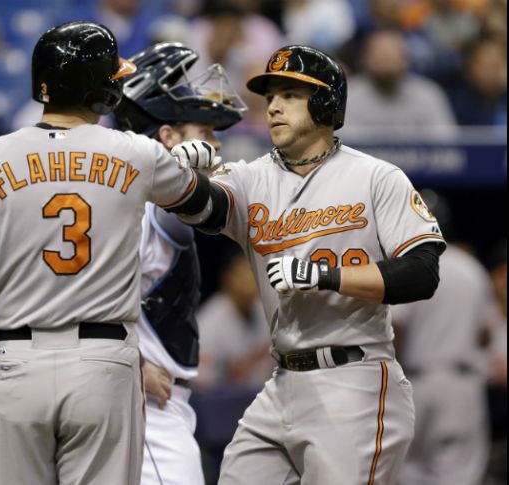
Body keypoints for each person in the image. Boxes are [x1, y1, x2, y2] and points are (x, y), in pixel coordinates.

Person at [0, 21, 221, 485]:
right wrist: (188, 163)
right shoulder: (137, 153)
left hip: (16, 363)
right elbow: (208, 208)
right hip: (104, 365)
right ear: (102, 90)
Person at [171, 44, 446, 484]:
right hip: (280, 382)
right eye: (271, 96)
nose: (274, 106)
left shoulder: (376, 177)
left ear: (325, 103)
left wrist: (327, 276)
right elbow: (203, 205)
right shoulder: (251, 177)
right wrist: (180, 173)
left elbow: (421, 272)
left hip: (354, 379)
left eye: (290, 94)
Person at [112, 41, 245, 485]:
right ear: (167, 137)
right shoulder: (141, 204)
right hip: (145, 406)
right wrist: (130, 363)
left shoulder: (132, 199)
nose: (215, 141)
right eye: (203, 130)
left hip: (147, 400)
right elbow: (80, 296)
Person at [390, 190, 495, 485]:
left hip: (416, 382)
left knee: (407, 470)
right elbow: (486, 333)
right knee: (459, 474)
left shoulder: (408, 266)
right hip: (461, 384)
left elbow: (396, 329)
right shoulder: (472, 269)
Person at [196, 245, 274, 391]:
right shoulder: (208, 323)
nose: (251, 280)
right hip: (221, 404)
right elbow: (200, 385)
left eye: (254, 272)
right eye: (243, 274)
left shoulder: (265, 310)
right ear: (227, 278)